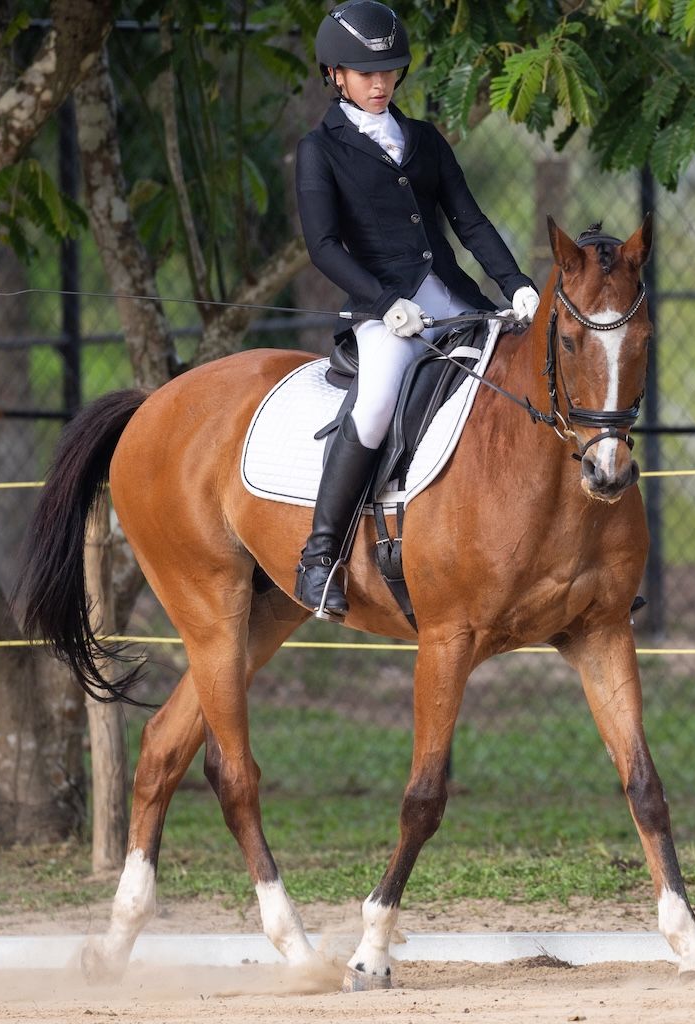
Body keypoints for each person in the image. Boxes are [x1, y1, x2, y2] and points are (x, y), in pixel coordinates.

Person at [293, 0, 539, 620]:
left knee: (524, 380)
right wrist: (384, 304)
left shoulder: (424, 139)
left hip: (457, 301)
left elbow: (470, 222)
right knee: (375, 405)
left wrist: (514, 285)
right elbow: (323, 246)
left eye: (388, 72)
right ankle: (320, 557)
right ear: (335, 75)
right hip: (386, 314)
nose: (380, 85)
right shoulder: (320, 151)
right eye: (364, 73)